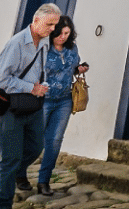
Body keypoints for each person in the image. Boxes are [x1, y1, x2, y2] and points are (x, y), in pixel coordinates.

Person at [0, 3, 60, 209]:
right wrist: (30, 88)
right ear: (35, 21)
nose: (52, 29)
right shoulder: (16, 44)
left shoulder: (44, 42)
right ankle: (3, 207)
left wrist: (42, 85)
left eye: (55, 25)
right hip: (12, 108)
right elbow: (1, 79)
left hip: (33, 106)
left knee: (35, 148)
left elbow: (38, 71)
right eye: (49, 24)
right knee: (11, 158)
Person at [32, 16, 88, 195]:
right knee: (34, 140)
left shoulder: (72, 48)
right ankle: (16, 174)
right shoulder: (43, 48)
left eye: (67, 33)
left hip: (64, 99)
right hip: (43, 99)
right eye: (60, 33)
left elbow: (71, 68)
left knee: (54, 141)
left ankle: (44, 181)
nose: (63, 37)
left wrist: (79, 69)